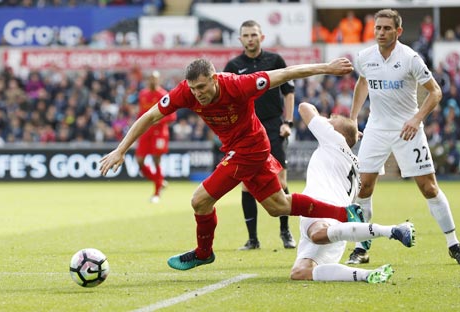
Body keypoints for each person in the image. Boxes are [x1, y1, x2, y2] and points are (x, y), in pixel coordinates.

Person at [100, 57, 363, 271]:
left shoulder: (238, 85)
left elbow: (285, 73)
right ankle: (346, 213)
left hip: (250, 148)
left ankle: (204, 253)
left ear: (214, 79)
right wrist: (121, 149)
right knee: (277, 206)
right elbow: (150, 116)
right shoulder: (185, 93)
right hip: (241, 149)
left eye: (202, 87)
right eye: (193, 89)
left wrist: (326, 68)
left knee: (199, 200)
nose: (198, 94)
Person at [347, 9, 460, 265]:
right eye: (378, 28)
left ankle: (454, 244)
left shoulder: (410, 58)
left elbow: (435, 92)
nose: (381, 32)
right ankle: (361, 248)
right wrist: (353, 118)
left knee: (428, 187)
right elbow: (362, 82)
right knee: (364, 187)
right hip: (376, 129)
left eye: (386, 28)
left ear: (398, 31)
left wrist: (417, 120)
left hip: (408, 129)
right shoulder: (364, 57)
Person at [290, 102, 415, 283]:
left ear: (336, 131)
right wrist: (350, 133)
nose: (329, 119)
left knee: (316, 234)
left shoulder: (332, 139)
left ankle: (392, 230)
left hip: (319, 206)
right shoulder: (355, 164)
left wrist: (338, 127)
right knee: (300, 273)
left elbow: (304, 107)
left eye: (333, 119)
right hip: (340, 225)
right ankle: (368, 275)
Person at [223, 20, 296, 250]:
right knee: (247, 185)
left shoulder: (275, 60)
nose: (250, 38)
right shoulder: (233, 65)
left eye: (254, 34)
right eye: (246, 35)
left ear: (262, 37)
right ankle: (252, 239)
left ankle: (285, 232)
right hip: (247, 131)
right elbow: (226, 101)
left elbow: (289, 91)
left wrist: (288, 122)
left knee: (281, 181)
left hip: (274, 126)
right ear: (240, 39)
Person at [135, 71, 177, 203]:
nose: (153, 81)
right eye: (151, 78)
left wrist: (158, 120)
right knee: (139, 160)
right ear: (148, 80)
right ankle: (159, 181)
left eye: (155, 79)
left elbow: (172, 116)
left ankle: (157, 193)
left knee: (156, 159)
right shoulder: (143, 94)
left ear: (159, 80)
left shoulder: (163, 95)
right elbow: (141, 113)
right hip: (146, 131)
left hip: (159, 133)